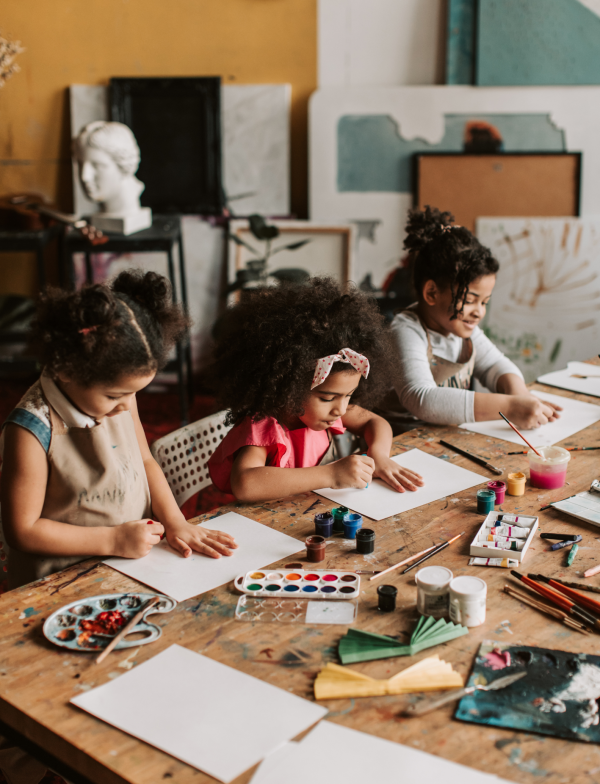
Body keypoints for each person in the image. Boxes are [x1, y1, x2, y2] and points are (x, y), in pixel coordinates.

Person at [1, 270, 237, 591]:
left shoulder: (119, 397)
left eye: (134, 393)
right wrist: (112, 539)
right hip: (62, 582)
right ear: (67, 370)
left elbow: (146, 461)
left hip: (130, 561)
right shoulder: (30, 431)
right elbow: (23, 530)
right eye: (115, 396)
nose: (126, 406)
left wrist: (175, 522)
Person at [207, 277, 424, 502]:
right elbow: (245, 485)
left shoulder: (328, 410)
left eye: (348, 396)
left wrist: (378, 455)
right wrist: (331, 474)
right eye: (328, 397)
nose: (340, 409)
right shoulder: (265, 426)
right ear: (289, 388)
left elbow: (376, 423)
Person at [378, 206, 562, 432]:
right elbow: (422, 400)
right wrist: (510, 407)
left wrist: (520, 394)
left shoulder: (463, 330)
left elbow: (495, 364)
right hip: (399, 447)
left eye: (484, 302)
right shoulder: (405, 331)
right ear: (432, 293)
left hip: (444, 439)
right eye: (470, 300)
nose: (479, 312)